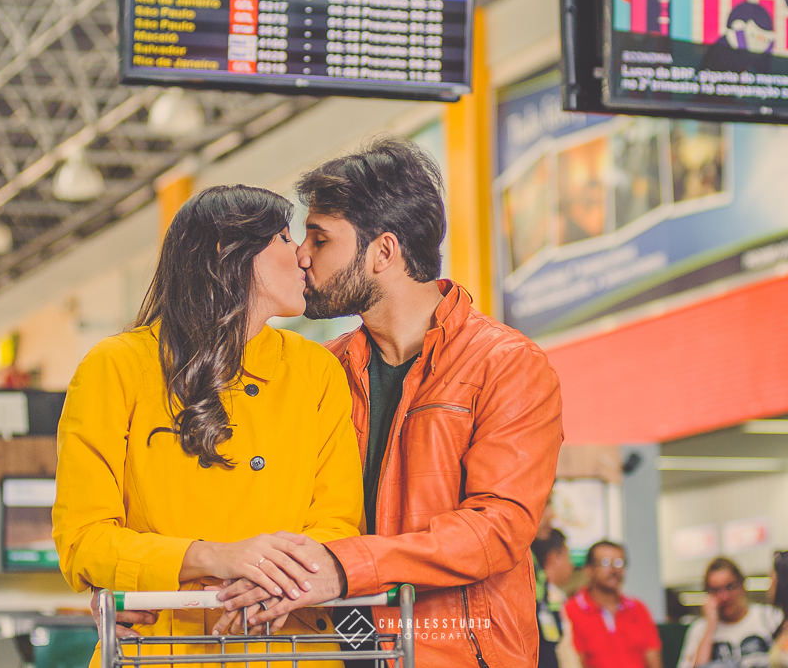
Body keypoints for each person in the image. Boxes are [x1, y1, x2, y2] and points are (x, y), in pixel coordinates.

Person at [213, 138, 566, 666]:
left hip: (460, 652)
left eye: (320, 238)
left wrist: (344, 565)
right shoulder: (319, 370)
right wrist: (177, 590)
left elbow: (496, 530)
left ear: (383, 251)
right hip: (339, 651)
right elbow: (259, 500)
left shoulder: (507, 363)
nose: (302, 256)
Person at [53, 185, 363, 665]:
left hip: (293, 648)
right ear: (228, 254)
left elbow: (338, 521)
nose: (303, 256)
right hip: (162, 649)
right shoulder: (116, 366)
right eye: (284, 238)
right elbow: (83, 539)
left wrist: (272, 579)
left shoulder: (316, 371)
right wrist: (217, 557)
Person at [564, 541, 662, 668]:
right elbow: (573, 661)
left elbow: (654, 661)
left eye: (619, 563)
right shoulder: (571, 610)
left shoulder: (638, 609)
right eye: (605, 563)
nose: (614, 570)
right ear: (589, 570)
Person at [677, 557, 782, 668]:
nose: (724, 597)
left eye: (730, 587)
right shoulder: (700, 629)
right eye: (716, 590)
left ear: (742, 586)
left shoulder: (769, 616)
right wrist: (710, 627)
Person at [532, 529, 581, 668]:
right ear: (554, 557)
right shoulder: (538, 600)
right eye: (568, 556)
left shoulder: (555, 598)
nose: (571, 565)